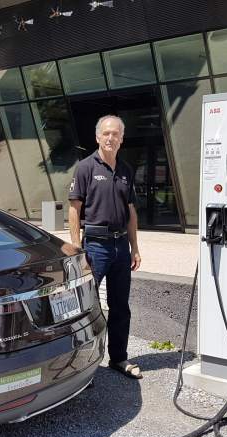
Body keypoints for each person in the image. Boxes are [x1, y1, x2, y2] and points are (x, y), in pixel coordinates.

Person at [68, 115, 142, 379]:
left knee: (120, 306)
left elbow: (130, 212)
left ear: (121, 139)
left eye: (116, 134)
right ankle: (84, 368)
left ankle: (118, 359)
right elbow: (74, 209)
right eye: (106, 133)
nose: (111, 138)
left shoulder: (126, 170)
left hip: (121, 246)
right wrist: (77, 247)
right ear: (98, 137)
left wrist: (135, 247)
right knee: (87, 307)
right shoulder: (86, 167)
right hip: (95, 247)